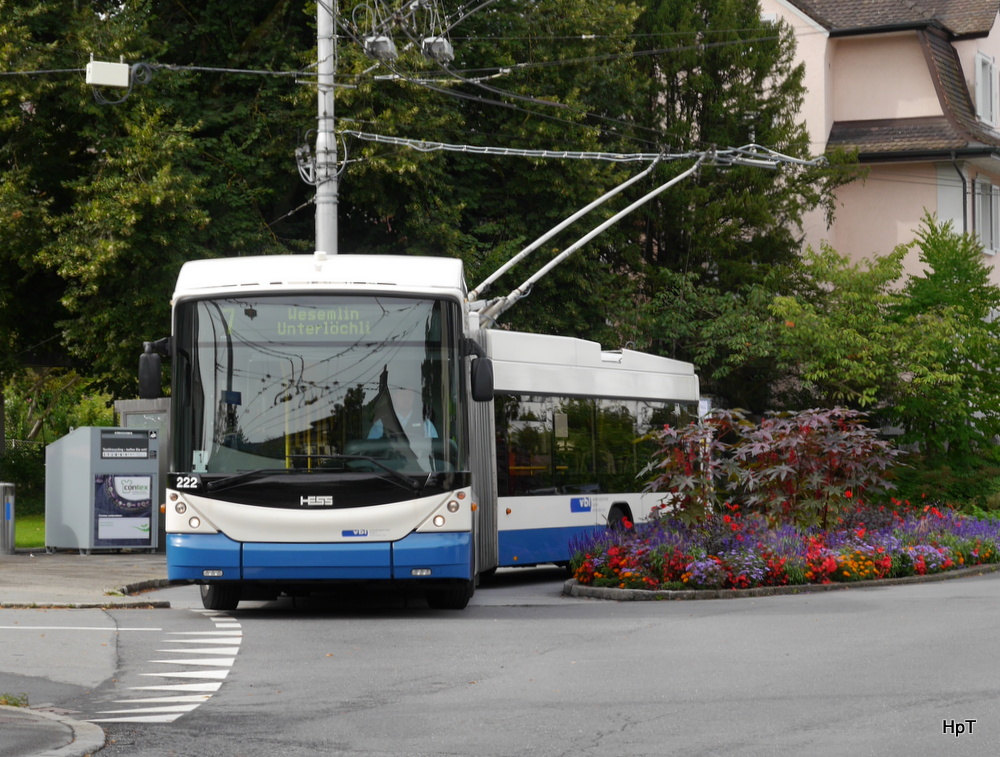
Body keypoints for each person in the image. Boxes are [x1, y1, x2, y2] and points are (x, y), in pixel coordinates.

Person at [368, 387, 438, 440]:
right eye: (402, 395)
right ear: (394, 398)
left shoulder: (426, 424)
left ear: (413, 398)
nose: (406, 399)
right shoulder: (381, 424)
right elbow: (371, 449)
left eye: (409, 395)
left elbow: (434, 449)